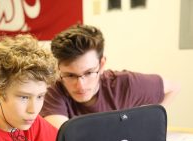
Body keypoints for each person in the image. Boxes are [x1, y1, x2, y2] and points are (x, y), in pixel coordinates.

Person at [40, 24, 181, 128]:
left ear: (101, 65)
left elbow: (173, 87)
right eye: (70, 75)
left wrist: (148, 124)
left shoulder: (125, 83)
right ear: (58, 69)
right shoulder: (53, 90)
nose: (80, 85)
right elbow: (67, 138)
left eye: (89, 73)